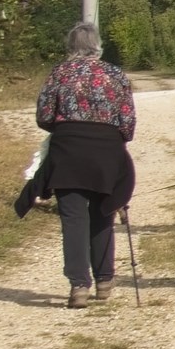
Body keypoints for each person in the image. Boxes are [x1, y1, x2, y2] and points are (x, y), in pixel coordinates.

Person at [34, 19, 137, 309]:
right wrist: (115, 141)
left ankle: (79, 285)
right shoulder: (115, 74)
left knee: (73, 218)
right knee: (103, 211)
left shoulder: (59, 74)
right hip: (106, 149)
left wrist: (65, 127)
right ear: (97, 45)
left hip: (68, 150)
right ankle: (104, 280)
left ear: (71, 47)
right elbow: (127, 121)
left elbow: (43, 116)